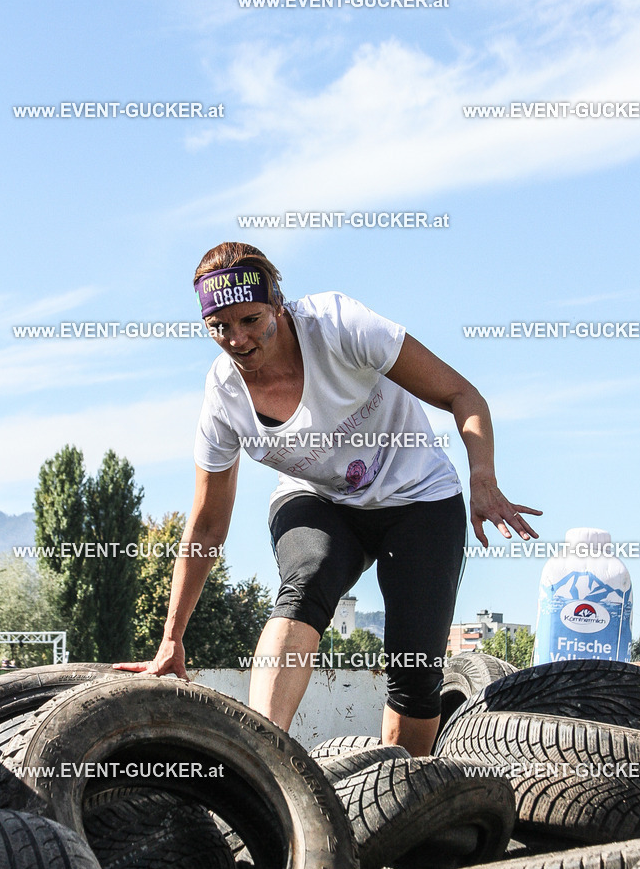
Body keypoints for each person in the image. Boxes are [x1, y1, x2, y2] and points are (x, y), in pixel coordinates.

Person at [114, 242, 541, 755]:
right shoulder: (223, 397)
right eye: (220, 327)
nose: (238, 340)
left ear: (279, 304)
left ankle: (402, 799)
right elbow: (206, 528)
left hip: (419, 497)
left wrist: (483, 479)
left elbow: (462, 395)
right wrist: (171, 638)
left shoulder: (340, 327)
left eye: (251, 320)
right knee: (308, 578)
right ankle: (262, 761)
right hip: (316, 500)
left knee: (415, 671)